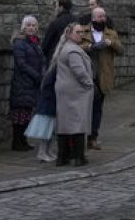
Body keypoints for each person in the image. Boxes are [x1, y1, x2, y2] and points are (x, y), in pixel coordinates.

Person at [83, 7, 124, 150]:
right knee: (84, 108)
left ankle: (93, 137)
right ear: (93, 18)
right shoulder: (83, 31)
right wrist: (91, 46)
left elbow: (121, 50)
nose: (103, 19)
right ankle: (82, 136)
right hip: (86, 75)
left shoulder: (110, 33)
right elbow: (77, 46)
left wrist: (111, 43)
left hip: (103, 76)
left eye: (104, 16)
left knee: (97, 108)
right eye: (100, 17)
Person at [54, 22, 94, 166]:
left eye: (82, 32)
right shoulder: (72, 51)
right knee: (77, 123)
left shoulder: (66, 48)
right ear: (69, 33)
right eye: (78, 32)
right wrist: (89, 83)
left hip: (67, 90)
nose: (81, 35)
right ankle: (78, 157)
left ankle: (63, 156)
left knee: (65, 124)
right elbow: (79, 71)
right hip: (75, 91)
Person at [8, 15, 44, 151]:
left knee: (27, 114)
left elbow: (42, 60)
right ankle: (17, 142)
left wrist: (42, 73)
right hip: (22, 83)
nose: (31, 28)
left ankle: (23, 140)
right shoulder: (19, 43)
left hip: (32, 84)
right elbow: (21, 64)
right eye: (28, 25)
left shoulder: (35, 43)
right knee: (19, 114)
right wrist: (37, 75)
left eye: (34, 25)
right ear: (24, 27)